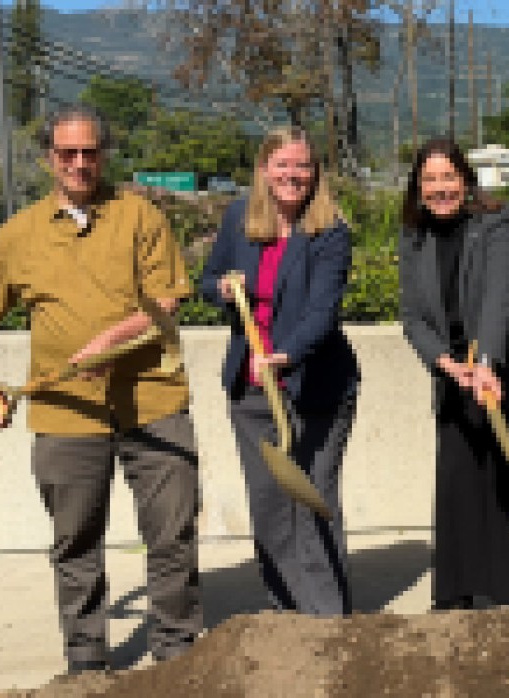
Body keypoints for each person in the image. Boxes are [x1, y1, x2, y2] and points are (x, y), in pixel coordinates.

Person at [0, 105, 201, 674]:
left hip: (153, 402)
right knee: (75, 544)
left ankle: (178, 656)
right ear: (49, 157)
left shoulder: (140, 216)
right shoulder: (18, 235)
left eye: (88, 152)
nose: (78, 163)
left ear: (104, 154)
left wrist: (110, 342)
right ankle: (86, 663)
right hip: (64, 414)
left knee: (172, 533)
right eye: (66, 153)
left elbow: (165, 300)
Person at [398, 138, 509, 610]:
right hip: (457, 372)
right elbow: (412, 317)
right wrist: (447, 365)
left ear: (465, 180)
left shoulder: (497, 222)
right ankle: (459, 594)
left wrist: (487, 361)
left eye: (448, 177)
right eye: (429, 180)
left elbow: (501, 295)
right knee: (460, 484)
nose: (439, 188)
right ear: (418, 188)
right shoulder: (414, 237)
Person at [200, 126, 359, 616]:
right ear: (265, 170)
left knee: (311, 500)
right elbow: (207, 281)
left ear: (315, 174)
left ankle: (329, 619)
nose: (293, 175)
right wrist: (223, 291)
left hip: (315, 387)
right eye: (283, 165)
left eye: (303, 166)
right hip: (252, 393)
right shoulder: (238, 219)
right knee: (269, 506)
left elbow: (322, 312)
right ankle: (287, 616)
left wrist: (286, 355)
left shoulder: (330, 231)